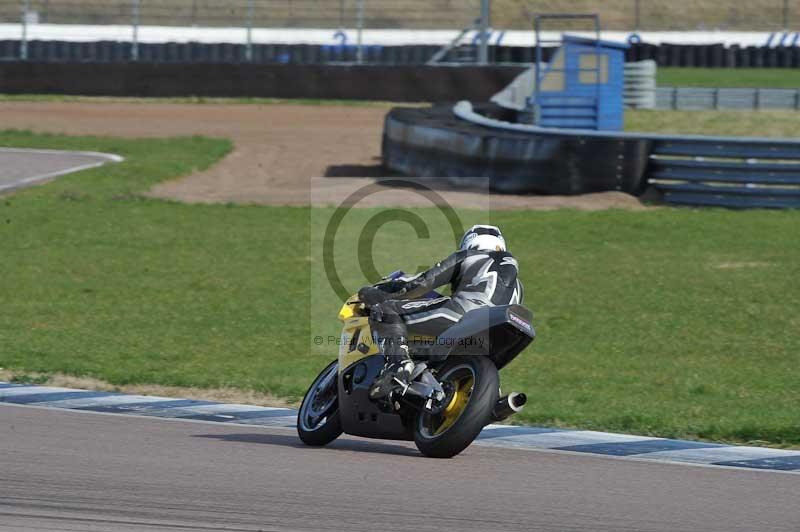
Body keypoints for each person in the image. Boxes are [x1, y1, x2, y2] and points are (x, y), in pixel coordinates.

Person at [358, 225, 523, 399]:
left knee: (385, 310)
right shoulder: (519, 286)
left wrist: (377, 293)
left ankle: (398, 365)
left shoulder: (469, 256)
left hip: (463, 313)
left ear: (470, 242)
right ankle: (490, 397)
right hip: (496, 333)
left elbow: (419, 284)